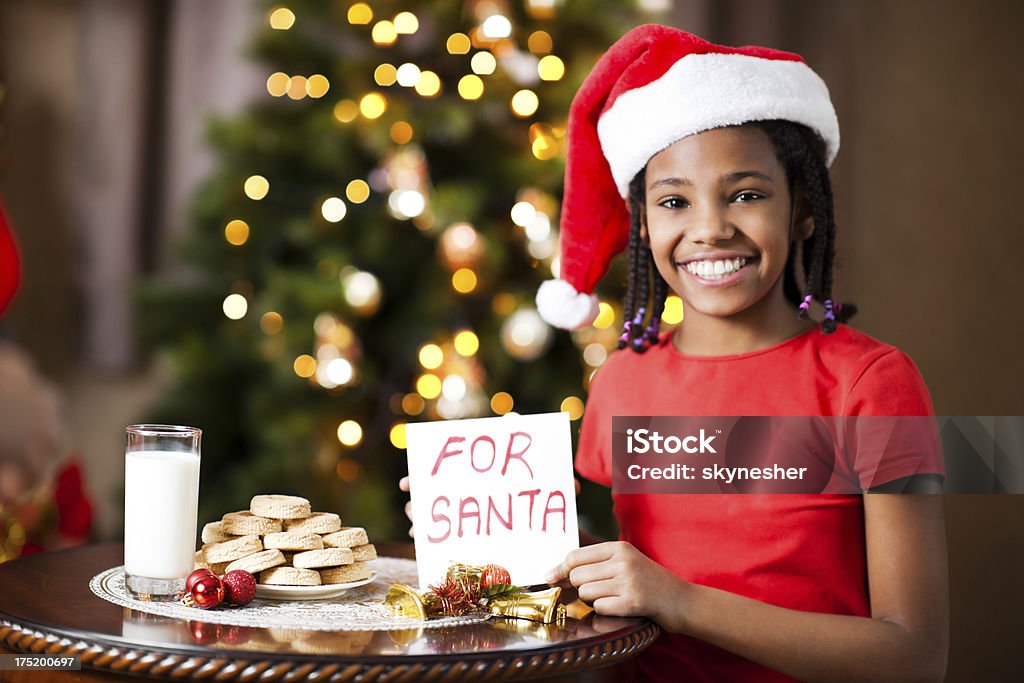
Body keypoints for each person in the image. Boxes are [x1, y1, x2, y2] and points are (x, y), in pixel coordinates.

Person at [527, 24, 947, 682]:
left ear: (802, 208)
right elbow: (639, 577)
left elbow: (914, 656)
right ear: (642, 223)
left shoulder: (872, 384)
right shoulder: (621, 381)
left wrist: (681, 601)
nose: (709, 228)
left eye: (746, 194)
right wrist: (485, 521)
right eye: (673, 201)